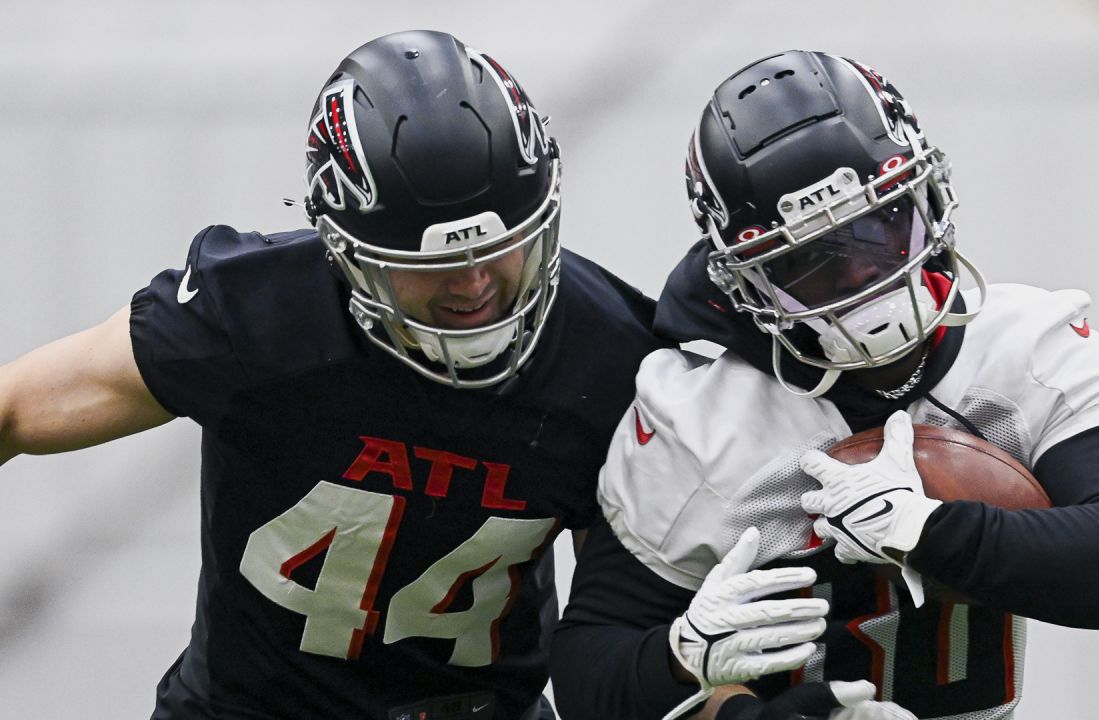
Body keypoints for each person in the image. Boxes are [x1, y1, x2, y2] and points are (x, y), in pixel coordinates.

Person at [0, 30, 668, 720]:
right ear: (344, 249)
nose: (474, 285)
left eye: (503, 248)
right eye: (432, 262)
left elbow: (612, 636)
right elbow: (15, 409)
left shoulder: (609, 357)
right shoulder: (260, 317)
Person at [550, 49, 1099, 720]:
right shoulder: (703, 420)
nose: (864, 280)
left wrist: (929, 529)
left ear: (926, 195)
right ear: (745, 281)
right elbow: (589, 674)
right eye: (808, 263)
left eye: (881, 226)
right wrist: (697, 673)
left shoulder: (1022, 345)